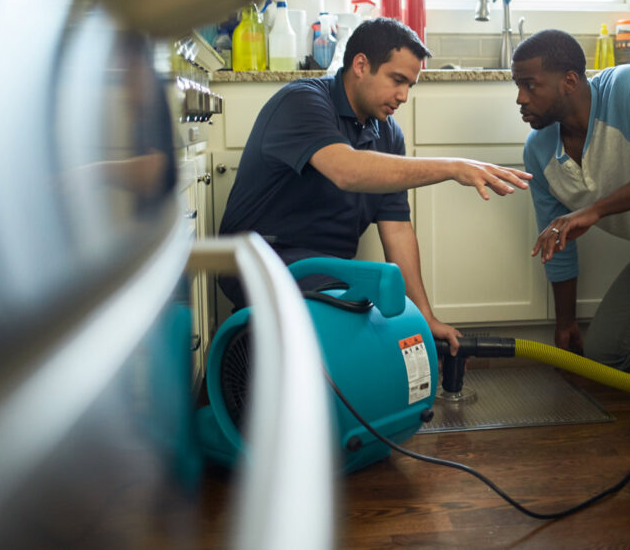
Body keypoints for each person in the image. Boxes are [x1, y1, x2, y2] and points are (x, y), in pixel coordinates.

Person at [219, 17, 532, 353]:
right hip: (261, 258)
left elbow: (396, 230)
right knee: (355, 317)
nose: (403, 96)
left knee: (387, 311)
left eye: (410, 85)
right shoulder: (302, 101)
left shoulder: (388, 134)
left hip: (325, 271)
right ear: (361, 65)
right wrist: (453, 167)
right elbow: (347, 171)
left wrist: (424, 316)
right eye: (397, 80)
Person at [512, 29, 630, 369]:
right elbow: (557, 244)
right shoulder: (538, 152)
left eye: (529, 85)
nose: (520, 98)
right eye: (516, 85)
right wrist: (565, 324)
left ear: (570, 80)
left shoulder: (626, 85)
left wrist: (594, 211)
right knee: (603, 355)